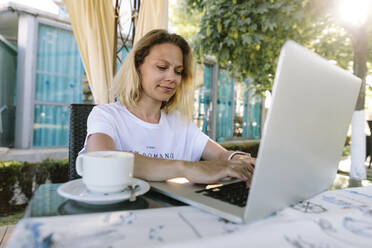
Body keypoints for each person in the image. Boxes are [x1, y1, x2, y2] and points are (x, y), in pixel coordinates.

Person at [83, 29, 255, 185]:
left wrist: (238, 159)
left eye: (178, 71)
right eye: (162, 67)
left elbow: (220, 155)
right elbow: (102, 159)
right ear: (137, 67)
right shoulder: (106, 115)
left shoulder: (180, 124)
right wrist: (185, 168)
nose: (172, 78)